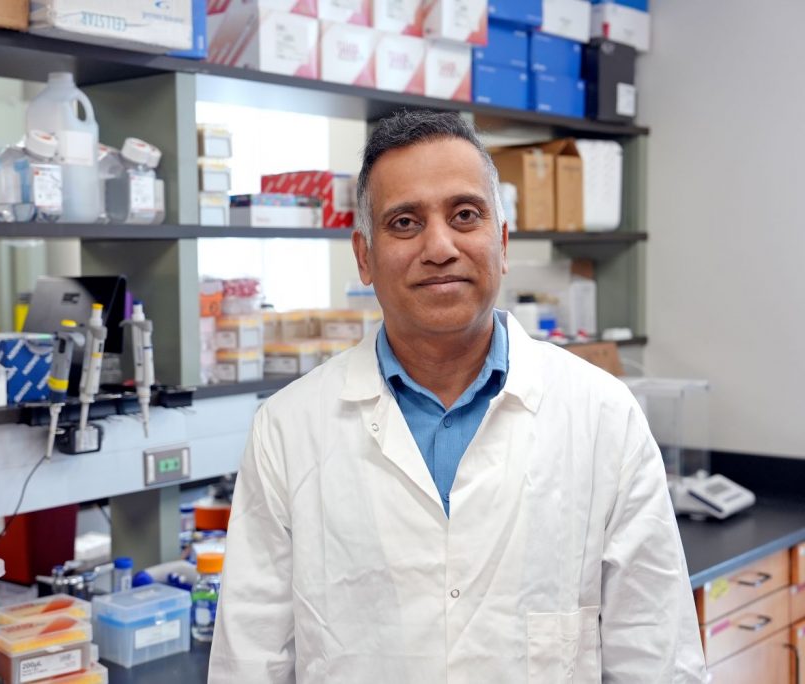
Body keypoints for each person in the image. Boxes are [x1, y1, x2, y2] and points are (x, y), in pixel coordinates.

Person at [208, 110, 706, 682]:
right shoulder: (288, 429)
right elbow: (250, 661)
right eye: (404, 223)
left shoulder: (603, 415)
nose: (439, 246)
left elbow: (657, 658)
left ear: (501, 242)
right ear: (364, 257)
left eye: (464, 214)